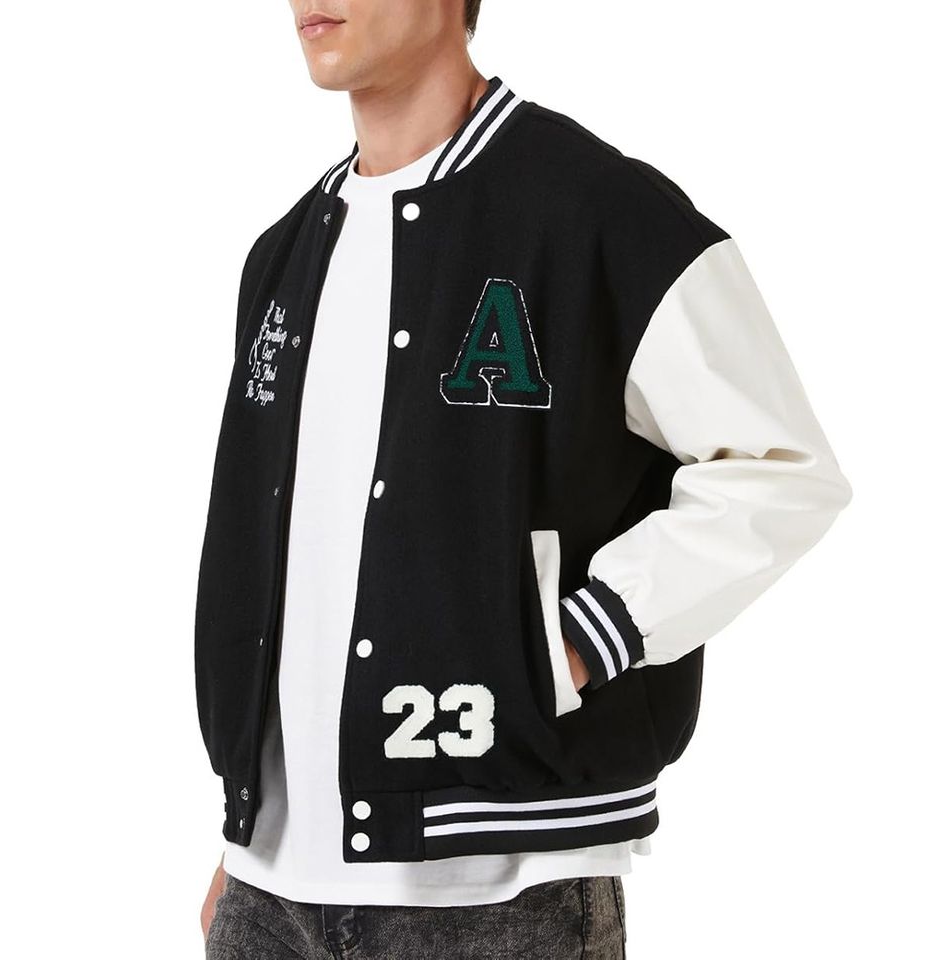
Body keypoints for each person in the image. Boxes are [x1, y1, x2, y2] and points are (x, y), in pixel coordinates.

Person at [195, 2, 853, 957]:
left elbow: (780, 469)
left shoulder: (597, 211)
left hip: (506, 894)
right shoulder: (286, 251)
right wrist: (250, 836)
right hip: (267, 891)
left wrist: (576, 640)